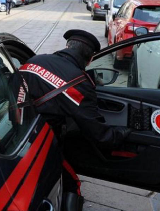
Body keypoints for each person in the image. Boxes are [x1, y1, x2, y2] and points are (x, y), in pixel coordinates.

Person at [19, 30, 131, 210]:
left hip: (14, 132)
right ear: (89, 59)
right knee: (72, 183)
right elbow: (98, 133)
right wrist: (122, 134)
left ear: (68, 46)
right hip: (39, 144)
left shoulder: (34, 61)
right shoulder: (80, 83)